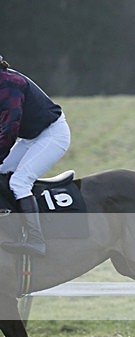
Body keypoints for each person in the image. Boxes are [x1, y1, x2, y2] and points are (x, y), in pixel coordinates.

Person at [0, 54, 71, 255]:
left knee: (19, 181)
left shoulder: (9, 85)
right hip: (31, 137)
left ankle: (36, 240)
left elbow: (9, 129)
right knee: (2, 172)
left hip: (52, 134)